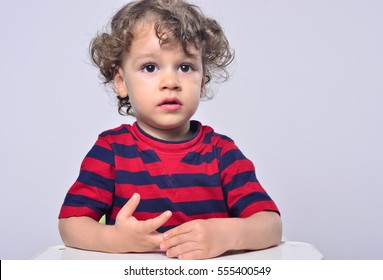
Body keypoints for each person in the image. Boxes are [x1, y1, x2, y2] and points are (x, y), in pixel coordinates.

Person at [58, 0, 282, 260]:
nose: (171, 82)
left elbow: (271, 226)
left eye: (185, 67)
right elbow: (70, 225)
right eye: (150, 67)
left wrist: (228, 233)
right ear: (121, 82)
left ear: (202, 83)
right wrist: (115, 239)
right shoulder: (111, 151)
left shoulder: (222, 153)